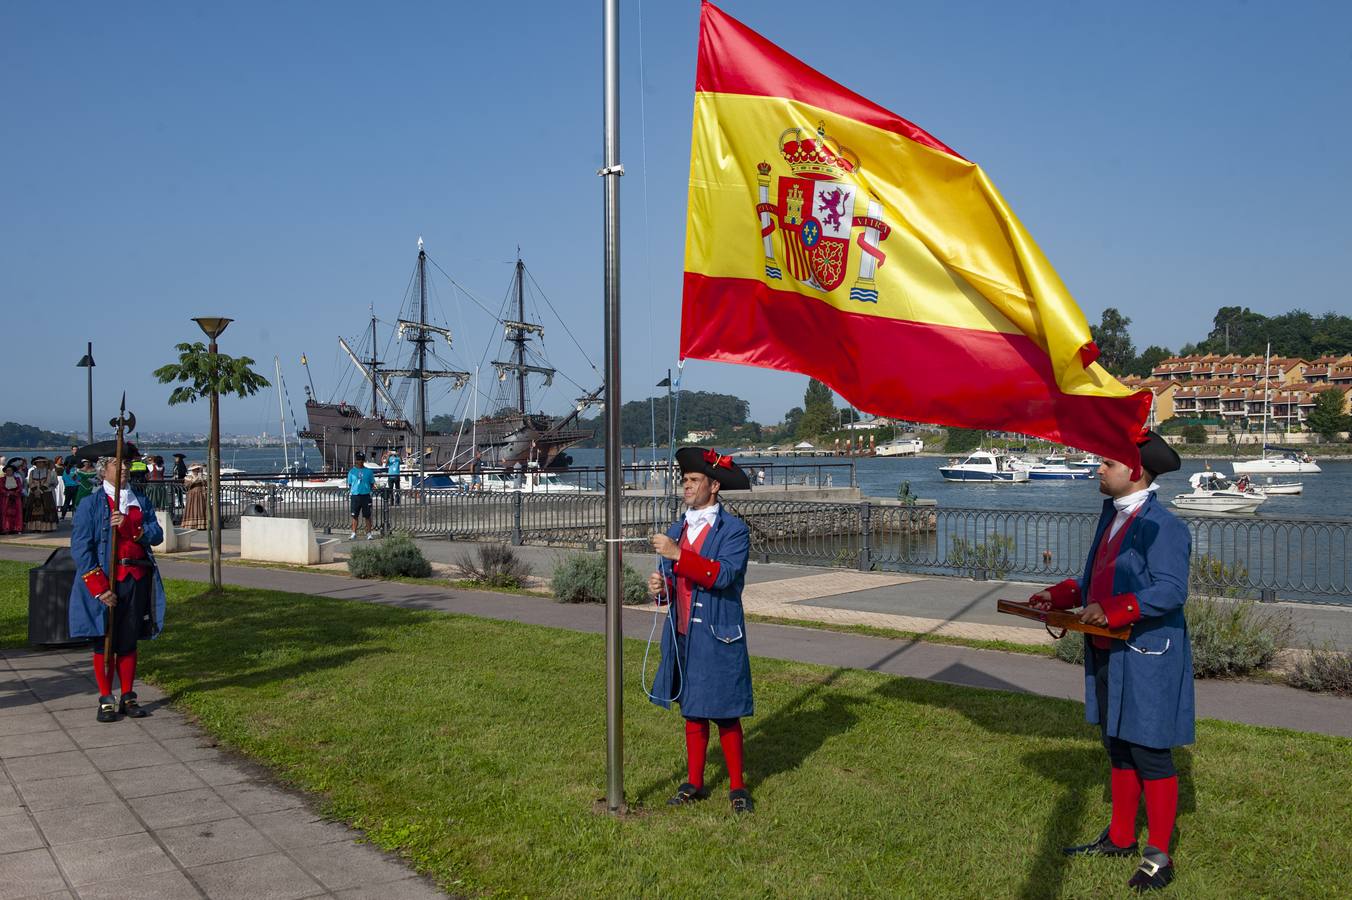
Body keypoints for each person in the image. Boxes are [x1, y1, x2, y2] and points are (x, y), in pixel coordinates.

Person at [1029, 429, 1190, 893]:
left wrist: (1116, 608)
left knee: (1149, 751)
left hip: (1146, 653)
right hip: (1107, 648)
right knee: (1117, 743)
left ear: (1135, 471)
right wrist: (1060, 594)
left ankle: (1159, 856)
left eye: (1108, 464)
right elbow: (1095, 581)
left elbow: (1170, 590)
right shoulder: (1112, 516)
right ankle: (1120, 837)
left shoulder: (1164, 525)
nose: (1098, 469)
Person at [647, 447, 755, 814]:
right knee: (692, 709)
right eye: (685, 480)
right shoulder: (678, 528)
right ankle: (694, 782)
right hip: (682, 633)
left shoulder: (734, 530)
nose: (686, 486)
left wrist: (679, 555)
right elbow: (673, 584)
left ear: (715, 486)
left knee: (724, 710)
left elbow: (723, 575)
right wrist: (661, 587)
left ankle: (738, 786)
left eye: (694, 480)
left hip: (718, 631)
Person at [69, 456, 167, 723]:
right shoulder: (90, 504)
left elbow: (156, 535)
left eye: (126, 464)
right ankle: (105, 698)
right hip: (107, 581)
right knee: (105, 640)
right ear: (104, 470)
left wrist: (130, 526)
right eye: (116, 463)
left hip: (137, 577)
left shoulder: (140, 500)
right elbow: (81, 548)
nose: (123, 468)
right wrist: (100, 588)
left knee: (128, 638)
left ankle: (128, 695)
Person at [24, 457, 58, 533]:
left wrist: (40, 490)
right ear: (35, 464)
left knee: (47, 509)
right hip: (34, 493)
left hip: (46, 492)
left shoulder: (48, 472)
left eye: (41, 462)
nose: (40, 464)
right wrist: (35, 490)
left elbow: (48, 481)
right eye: (38, 463)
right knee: (33, 510)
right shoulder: (32, 472)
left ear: (44, 463)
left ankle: (46, 527)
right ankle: (35, 527)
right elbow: (30, 482)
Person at [347, 452, 375, 540]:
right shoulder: (352, 472)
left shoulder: (369, 471)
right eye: (359, 459)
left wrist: (367, 489)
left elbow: (372, 483)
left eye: (362, 459)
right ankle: (353, 533)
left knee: (367, 515)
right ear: (356, 460)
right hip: (355, 495)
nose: (360, 461)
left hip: (365, 496)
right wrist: (354, 490)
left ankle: (369, 533)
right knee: (354, 515)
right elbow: (350, 484)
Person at [180, 463, 209, 529]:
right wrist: (195, 480)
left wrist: (202, 479)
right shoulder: (189, 477)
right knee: (192, 508)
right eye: (196, 469)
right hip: (192, 494)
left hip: (201, 493)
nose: (197, 470)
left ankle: (202, 525)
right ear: (193, 470)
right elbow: (186, 485)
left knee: (201, 508)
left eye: (198, 469)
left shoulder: (203, 476)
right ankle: (192, 524)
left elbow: (207, 483)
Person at [0, 463, 23, 534]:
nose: (9, 472)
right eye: (7, 470)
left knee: (16, 513)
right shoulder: (2, 479)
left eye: (10, 470)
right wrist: (8, 493)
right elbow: (1, 488)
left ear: (13, 471)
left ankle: (17, 528)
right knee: (6, 514)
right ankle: (6, 528)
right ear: (5, 471)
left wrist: (15, 493)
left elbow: (20, 487)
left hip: (15, 498)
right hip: (6, 498)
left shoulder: (17, 479)